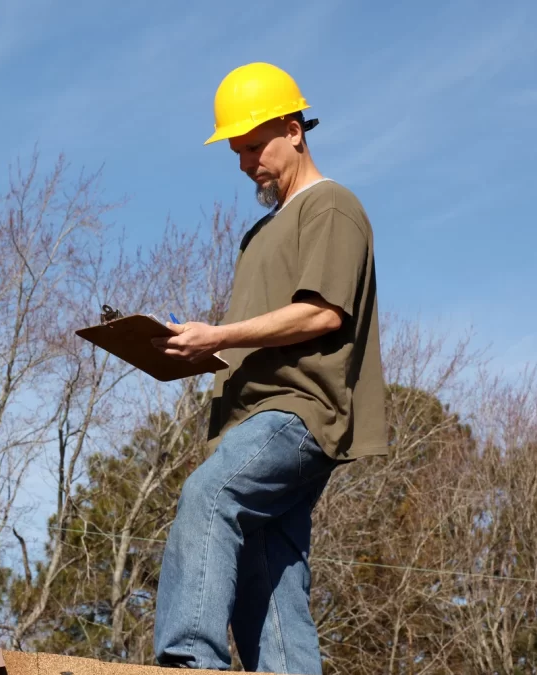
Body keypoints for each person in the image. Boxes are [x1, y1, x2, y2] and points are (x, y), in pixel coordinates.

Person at [150, 62, 389, 674]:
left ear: (294, 130)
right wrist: (197, 350)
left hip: (298, 411)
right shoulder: (260, 233)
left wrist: (222, 334)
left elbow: (322, 314)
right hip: (252, 414)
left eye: (255, 146)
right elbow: (262, 333)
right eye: (237, 152)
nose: (245, 163)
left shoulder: (330, 205)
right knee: (269, 569)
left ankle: (188, 660)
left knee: (210, 496)